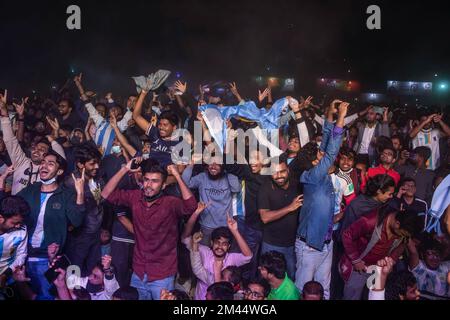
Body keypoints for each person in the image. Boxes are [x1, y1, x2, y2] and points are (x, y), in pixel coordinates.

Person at [101, 160, 197, 300]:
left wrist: (177, 175)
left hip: (162, 274)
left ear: (163, 185)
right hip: (138, 272)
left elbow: (191, 206)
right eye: (146, 180)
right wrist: (124, 169)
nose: (149, 185)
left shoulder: (170, 203)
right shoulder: (135, 197)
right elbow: (106, 194)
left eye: (154, 181)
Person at [295, 100, 348, 299]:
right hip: (308, 246)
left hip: (325, 243)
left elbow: (327, 143)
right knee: (305, 291)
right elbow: (331, 152)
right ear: (313, 163)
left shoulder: (319, 173)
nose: (322, 155)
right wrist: (341, 116)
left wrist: (330, 112)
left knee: (324, 291)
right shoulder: (312, 176)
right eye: (319, 156)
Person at [18, 150, 86, 300]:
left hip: (47, 260)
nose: (44, 166)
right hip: (21, 257)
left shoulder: (66, 195)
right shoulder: (30, 190)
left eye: (50, 163)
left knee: (45, 296)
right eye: (43, 162)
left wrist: (80, 193)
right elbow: (10, 209)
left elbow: (77, 221)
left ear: (59, 171)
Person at [340, 206, 416, 300]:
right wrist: (356, 260)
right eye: (402, 234)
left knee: (375, 296)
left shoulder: (402, 232)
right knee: (352, 297)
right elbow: (347, 235)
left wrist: (392, 260)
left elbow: (402, 245)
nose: (402, 237)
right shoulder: (370, 221)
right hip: (360, 268)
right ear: (397, 224)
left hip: (379, 271)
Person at [0, 95, 66, 194]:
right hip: (14, 207)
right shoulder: (21, 161)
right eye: (36, 148)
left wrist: (53, 139)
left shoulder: (48, 171)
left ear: (47, 155)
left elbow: (61, 159)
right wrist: (4, 114)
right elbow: (10, 140)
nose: (37, 150)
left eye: (42, 149)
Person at [183, 214, 252, 300]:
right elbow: (185, 238)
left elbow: (248, 256)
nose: (220, 247)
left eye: (224, 244)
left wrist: (235, 231)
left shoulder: (232, 258)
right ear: (212, 243)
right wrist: (196, 213)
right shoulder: (204, 251)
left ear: (229, 246)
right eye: (217, 242)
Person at [258, 160, 303, 280]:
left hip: (292, 244)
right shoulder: (265, 188)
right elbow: (265, 217)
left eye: (282, 171)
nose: (279, 176)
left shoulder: (297, 185)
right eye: (274, 173)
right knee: (268, 278)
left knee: (292, 277)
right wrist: (290, 207)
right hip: (271, 243)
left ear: (288, 170)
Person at [64, 143, 104, 276]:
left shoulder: (97, 180)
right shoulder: (71, 183)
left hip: (95, 235)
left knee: (91, 273)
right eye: (92, 164)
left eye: (98, 163)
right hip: (79, 237)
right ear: (80, 164)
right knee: (74, 273)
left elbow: (100, 203)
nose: (97, 167)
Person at [182, 158, 240, 245]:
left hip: (225, 225)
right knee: (204, 255)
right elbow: (184, 184)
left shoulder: (228, 177)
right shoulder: (202, 177)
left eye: (217, 164)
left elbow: (236, 188)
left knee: (221, 254)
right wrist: (191, 164)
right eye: (210, 163)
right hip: (206, 225)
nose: (213, 166)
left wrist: (228, 169)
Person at [0, 196, 30, 288]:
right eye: (14, 223)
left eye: (20, 222)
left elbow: (21, 255)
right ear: (1, 218)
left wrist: (5, 275)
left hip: (7, 278)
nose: (18, 226)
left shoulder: (21, 231)